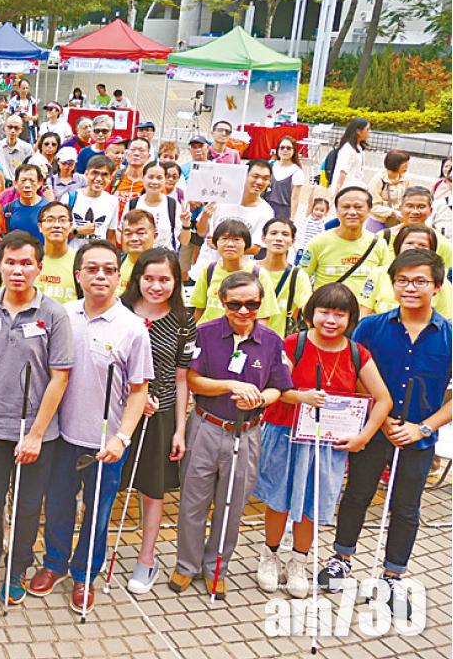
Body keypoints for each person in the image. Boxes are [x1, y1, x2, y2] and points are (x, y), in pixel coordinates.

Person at [318, 249, 450, 612]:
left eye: (420, 281)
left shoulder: (449, 336)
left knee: (407, 508)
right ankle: (340, 559)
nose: (410, 287)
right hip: (373, 430)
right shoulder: (371, 327)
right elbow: (352, 376)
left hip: (419, 438)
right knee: (357, 495)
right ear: (393, 285)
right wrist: (384, 418)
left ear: (436, 286)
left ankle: (393, 576)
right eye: (403, 280)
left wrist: (422, 428)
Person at [32, 239, 151, 614]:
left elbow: (138, 390)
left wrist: (123, 437)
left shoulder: (133, 328)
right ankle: (54, 564)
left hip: (106, 442)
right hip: (61, 436)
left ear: (118, 276)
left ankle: (85, 574)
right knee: (58, 505)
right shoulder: (61, 316)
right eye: (92, 269)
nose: (101, 275)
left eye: (109, 269)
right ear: (78, 274)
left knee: (98, 514)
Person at [253, 283, 391, 599]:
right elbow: (273, 385)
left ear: (351, 318)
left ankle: (299, 561)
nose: (330, 320)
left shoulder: (357, 353)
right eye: (324, 311)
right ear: (310, 313)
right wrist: (300, 396)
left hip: (327, 444)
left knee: (312, 505)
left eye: (339, 314)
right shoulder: (294, 344)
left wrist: (362, 437)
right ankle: (269, 555)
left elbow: (383, 399)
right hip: (285, 434)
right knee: (278, 499)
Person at [169, 271, 294, 598]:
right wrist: (231, 385)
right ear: (222, 302)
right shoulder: (205, 334)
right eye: (235, 304)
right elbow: (193, 380)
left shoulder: (271, 341)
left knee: (232, 503)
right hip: (206, 426)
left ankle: (217, 569)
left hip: (248, 432)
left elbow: (279, 388)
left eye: (252, 304)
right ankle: (187, 565)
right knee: (193, 502)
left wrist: (259, 398)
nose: (243, 311)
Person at [0, 231, 72, 603]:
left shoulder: (54, 314)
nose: (18, 269)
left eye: (26, 263)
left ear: (39, 268)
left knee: (27, 506)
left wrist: (37, 434)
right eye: (10, 262)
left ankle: (18, 567)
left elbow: (60, 377)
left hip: (36, 432)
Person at [115, 248, 196, 593]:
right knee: (107, 487)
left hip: (158, 417)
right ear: (137, 279)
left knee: (153, 491)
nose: (156, 285)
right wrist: (133, 396)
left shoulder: (183, 321)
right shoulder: (118, 311)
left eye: (164, 279)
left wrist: (179, 428)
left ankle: (147, 558)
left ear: (176, 282)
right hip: (117, 414)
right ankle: (96, 553)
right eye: (149, 278)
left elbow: (182, 378)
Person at [190, 160, 276, 282]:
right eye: (255, 176)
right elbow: (201, 232)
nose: (259, 182)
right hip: (206, 268)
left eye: (265, 178)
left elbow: (255, 248)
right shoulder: (222, 197)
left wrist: (222, 247)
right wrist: (204, 216)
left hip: (237, 276)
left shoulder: (266, 211)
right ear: (244, 176)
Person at [302, 187, 388, 302]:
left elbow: (386, 283)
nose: (352, 212)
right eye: (346, 207)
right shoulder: (318, 242)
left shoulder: (379, 244)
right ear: (337, 211)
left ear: (369, 210)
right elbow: (301, 279)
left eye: (358, 207)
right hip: (327, 316)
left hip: (364, 317)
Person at [189, 219, 278, 324]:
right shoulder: (209, 270)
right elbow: (199, 309)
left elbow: (263, 317)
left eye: (236, 239)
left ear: (246, 244)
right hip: (207, 337)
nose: (230, 244)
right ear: (215, 243)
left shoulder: (258, 274)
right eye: (224, 239)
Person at [360, 225, 453, 317]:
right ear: (398, 246)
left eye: (422, 245)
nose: (415, 247)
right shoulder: (378, 274)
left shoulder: (441, 282)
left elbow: (447, 320)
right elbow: (363, 313)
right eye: (409, 243)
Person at [258, 218, 314, 337]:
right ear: (263, 238)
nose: (279, 238)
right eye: (273, 233)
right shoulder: (249, 270)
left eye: (285, 234)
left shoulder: (298, 276)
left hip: (279, 344)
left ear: (292, 241)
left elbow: (308, 311)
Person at [127, 163, 184, 251]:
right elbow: (123, 233)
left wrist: (186, 224)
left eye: (159, 178)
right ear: (143, 178)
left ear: (165, 180)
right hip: (137, 258)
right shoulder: (133, 204)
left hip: (165, 260)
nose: (154, 182)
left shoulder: (173, 205)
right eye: (150, 177)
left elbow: (184, 240)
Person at [66, 155, 119, 250]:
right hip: (72, 257)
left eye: (104, 174)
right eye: (94, 173)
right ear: (86, 174)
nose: (99, 179)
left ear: (110, 178)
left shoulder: (113, 201)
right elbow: (59, 233)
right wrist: (78, 231)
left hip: (98, 258)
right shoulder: (70, 197)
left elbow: (110, 235)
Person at [36, 202, 78, 304]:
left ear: (70, 226)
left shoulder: (80, 261)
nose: (57, 225)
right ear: (40, 226)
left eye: (63, 220)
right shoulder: (29, 259)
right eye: (50, 220)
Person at [365, 150, 411, 233]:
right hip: (378, 221)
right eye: (404, 164)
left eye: (407, 163)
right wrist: (392, 212)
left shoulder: (405, 179)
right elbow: (372, 206)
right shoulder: (378, 180)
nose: (407, 166)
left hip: (396, 222)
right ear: (395, 164)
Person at [116, 210, 157, 294]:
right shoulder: (115, 263)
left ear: (155, 235)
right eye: (128, 233)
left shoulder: (164, 266)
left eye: (141, 233)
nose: (134, 238)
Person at [3, 164, 47, 241]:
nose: (27, 185)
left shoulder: (48, 209)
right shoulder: (7, 210)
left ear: (39, 183)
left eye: (32, 181)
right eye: (23, 181)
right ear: (15, 183)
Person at [269, 136, 306, 221]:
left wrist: (292, 218)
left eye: (288, 148)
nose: (285, 150)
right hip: (266, 207)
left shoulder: (297, 172)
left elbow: (295, 198)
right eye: (282, 148)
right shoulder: (271, 165)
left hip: (283, 211)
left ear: (294, 151)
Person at [330, 118, 369, 193]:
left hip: (354, 188)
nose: (369, 132)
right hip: (345, 189)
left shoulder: (359, 148)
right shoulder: (348, 149)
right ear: (358, 131)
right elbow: (343, 172)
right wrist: (337, 192)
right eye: (367, 129)